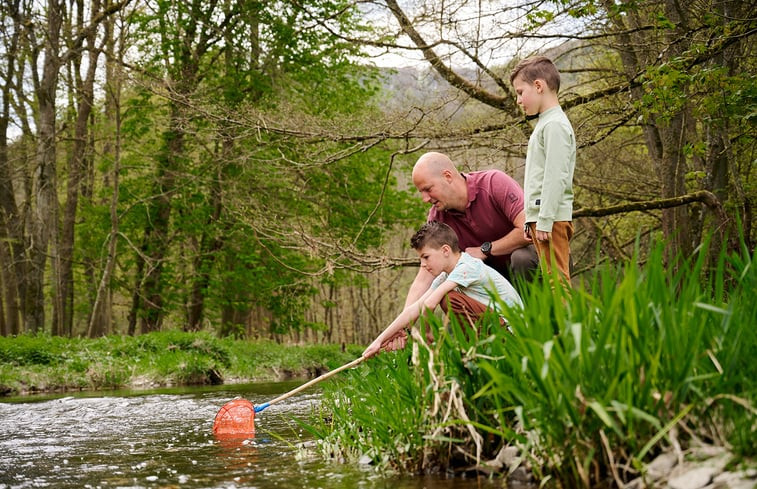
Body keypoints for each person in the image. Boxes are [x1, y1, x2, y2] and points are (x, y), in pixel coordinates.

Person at [363, 221, 523, 358]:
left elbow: (430, 304)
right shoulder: (446, 277)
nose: (423, 265)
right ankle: (478, 353)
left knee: (449, 299)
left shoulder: (468, 266)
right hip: (495, 327)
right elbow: (415, 307)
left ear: (445, 250)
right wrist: (379, 340)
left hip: (512, 334)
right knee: (447, 298)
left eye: (426, 257)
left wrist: (427, 334)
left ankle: (482, 352)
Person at [404, 152, 538, 307]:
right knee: (451, 294)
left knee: (521, 258)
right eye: (421, 192)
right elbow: (426, 274)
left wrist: (485, 250)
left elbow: (528, 230)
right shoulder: (437, 218)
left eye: (428, 189)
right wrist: (405, 321)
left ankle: (536, 325)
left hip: (536, 265)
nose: (425, 198)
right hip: (492, 281)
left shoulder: (494, 183)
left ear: (447, 176)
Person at [510, 56, 576, 285]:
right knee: (551, 280)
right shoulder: (545, 124)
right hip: (542, 217)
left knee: (557, 281)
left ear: (538, 86)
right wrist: (531, 219)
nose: (518, 100)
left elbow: (555, 177)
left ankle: (569, 322)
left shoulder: (555, 125)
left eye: (520, 92)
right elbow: (537, 178)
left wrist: (545, 220)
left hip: (552, 218)